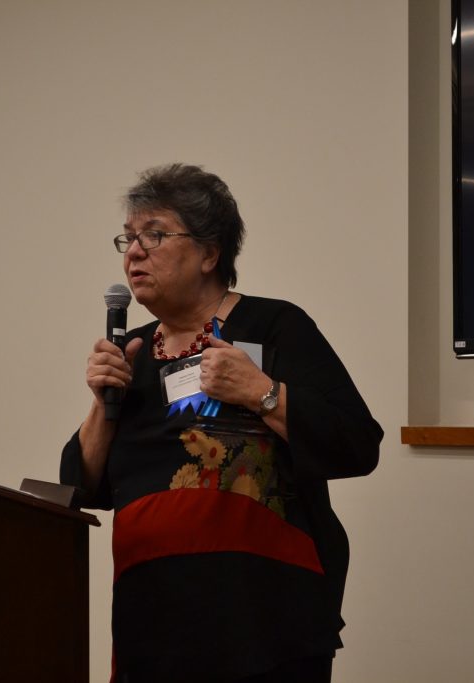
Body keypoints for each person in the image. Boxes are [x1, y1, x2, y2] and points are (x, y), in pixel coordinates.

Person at [60, 163, 382, 683]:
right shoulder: (134, 353)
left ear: (210, 253)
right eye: (129, 237)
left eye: (155, 235)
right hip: (153, 622)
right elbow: (80, 489)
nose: (134, 252)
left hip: (262, 625)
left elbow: (357, 445)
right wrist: (101, 403)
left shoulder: (276, 327)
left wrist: (261, 392)